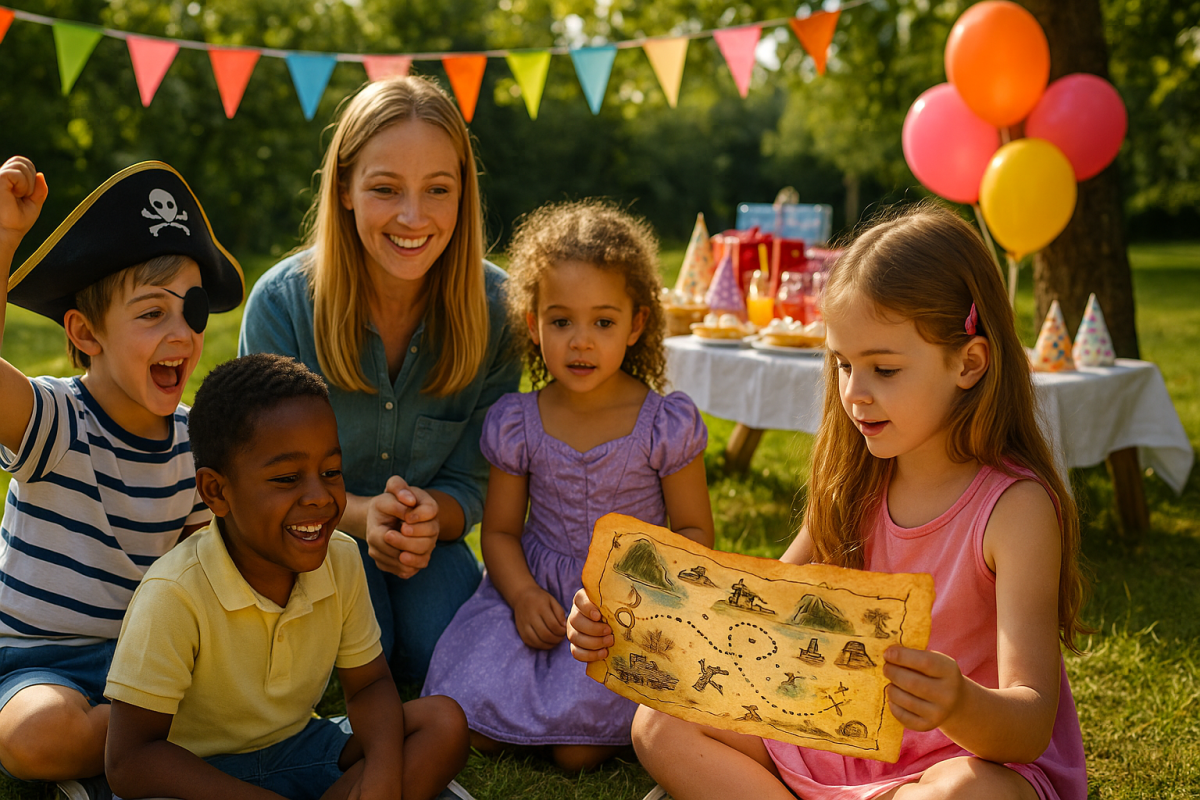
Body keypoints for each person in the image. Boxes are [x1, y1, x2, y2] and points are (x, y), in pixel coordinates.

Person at [568, 203, 1089, 800]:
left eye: (885, 370)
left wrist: (959, 701)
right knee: (657, 724)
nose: (854, 393)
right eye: (843, 364)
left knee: (965, 794)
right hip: (832, 739)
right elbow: (748, 617)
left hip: (957, 763)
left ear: (968, 363)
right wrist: (626, 619)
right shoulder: (855, 483)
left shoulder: (1015, 509)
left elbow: (1026, 727)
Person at [239, 75, 521, 685]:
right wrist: (367, 517)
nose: (413, 217)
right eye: (385, 189)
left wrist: (426, 518)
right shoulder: (283, 306)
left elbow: (474, 484)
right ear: (344, 187)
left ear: (463, 193)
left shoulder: (499, 308)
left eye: (437, 190)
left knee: (442, 657)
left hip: (429, 544)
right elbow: (262, 481)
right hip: (307, 536)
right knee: (357, 654)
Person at [422, 200, 715, 772]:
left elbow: (695, 529)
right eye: (561, 321)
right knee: (461, 718)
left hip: (632, 604)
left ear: (636, 324)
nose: (581, 341)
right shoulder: (518, 420)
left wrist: (648, 601)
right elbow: (502, 531)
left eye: (603, 322)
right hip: (541, 590)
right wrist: (525, 595)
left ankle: (594, 725)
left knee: (578, 752)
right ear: (533, 324)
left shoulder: (664, 423)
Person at [104, 353, 471, 800]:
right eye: (286, 478)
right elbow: (129, 760)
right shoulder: (173, 594)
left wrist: (382, 772)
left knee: (442, 722)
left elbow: (371, 683)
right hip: (198, 776)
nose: (319, 496)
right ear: (217, 491)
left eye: (331, 472)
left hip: (299, 749)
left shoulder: (341, 557)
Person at [0, 156, 243, 799]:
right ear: (86, 333)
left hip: (139, 668)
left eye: (191, 311)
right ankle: (165, 742)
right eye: (150, 314)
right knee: (35, 739)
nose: (182, 334)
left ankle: (154, 740)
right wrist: (2, 241)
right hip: (36, 666)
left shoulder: (197, 442)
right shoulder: (57, 418)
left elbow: (201, 574)